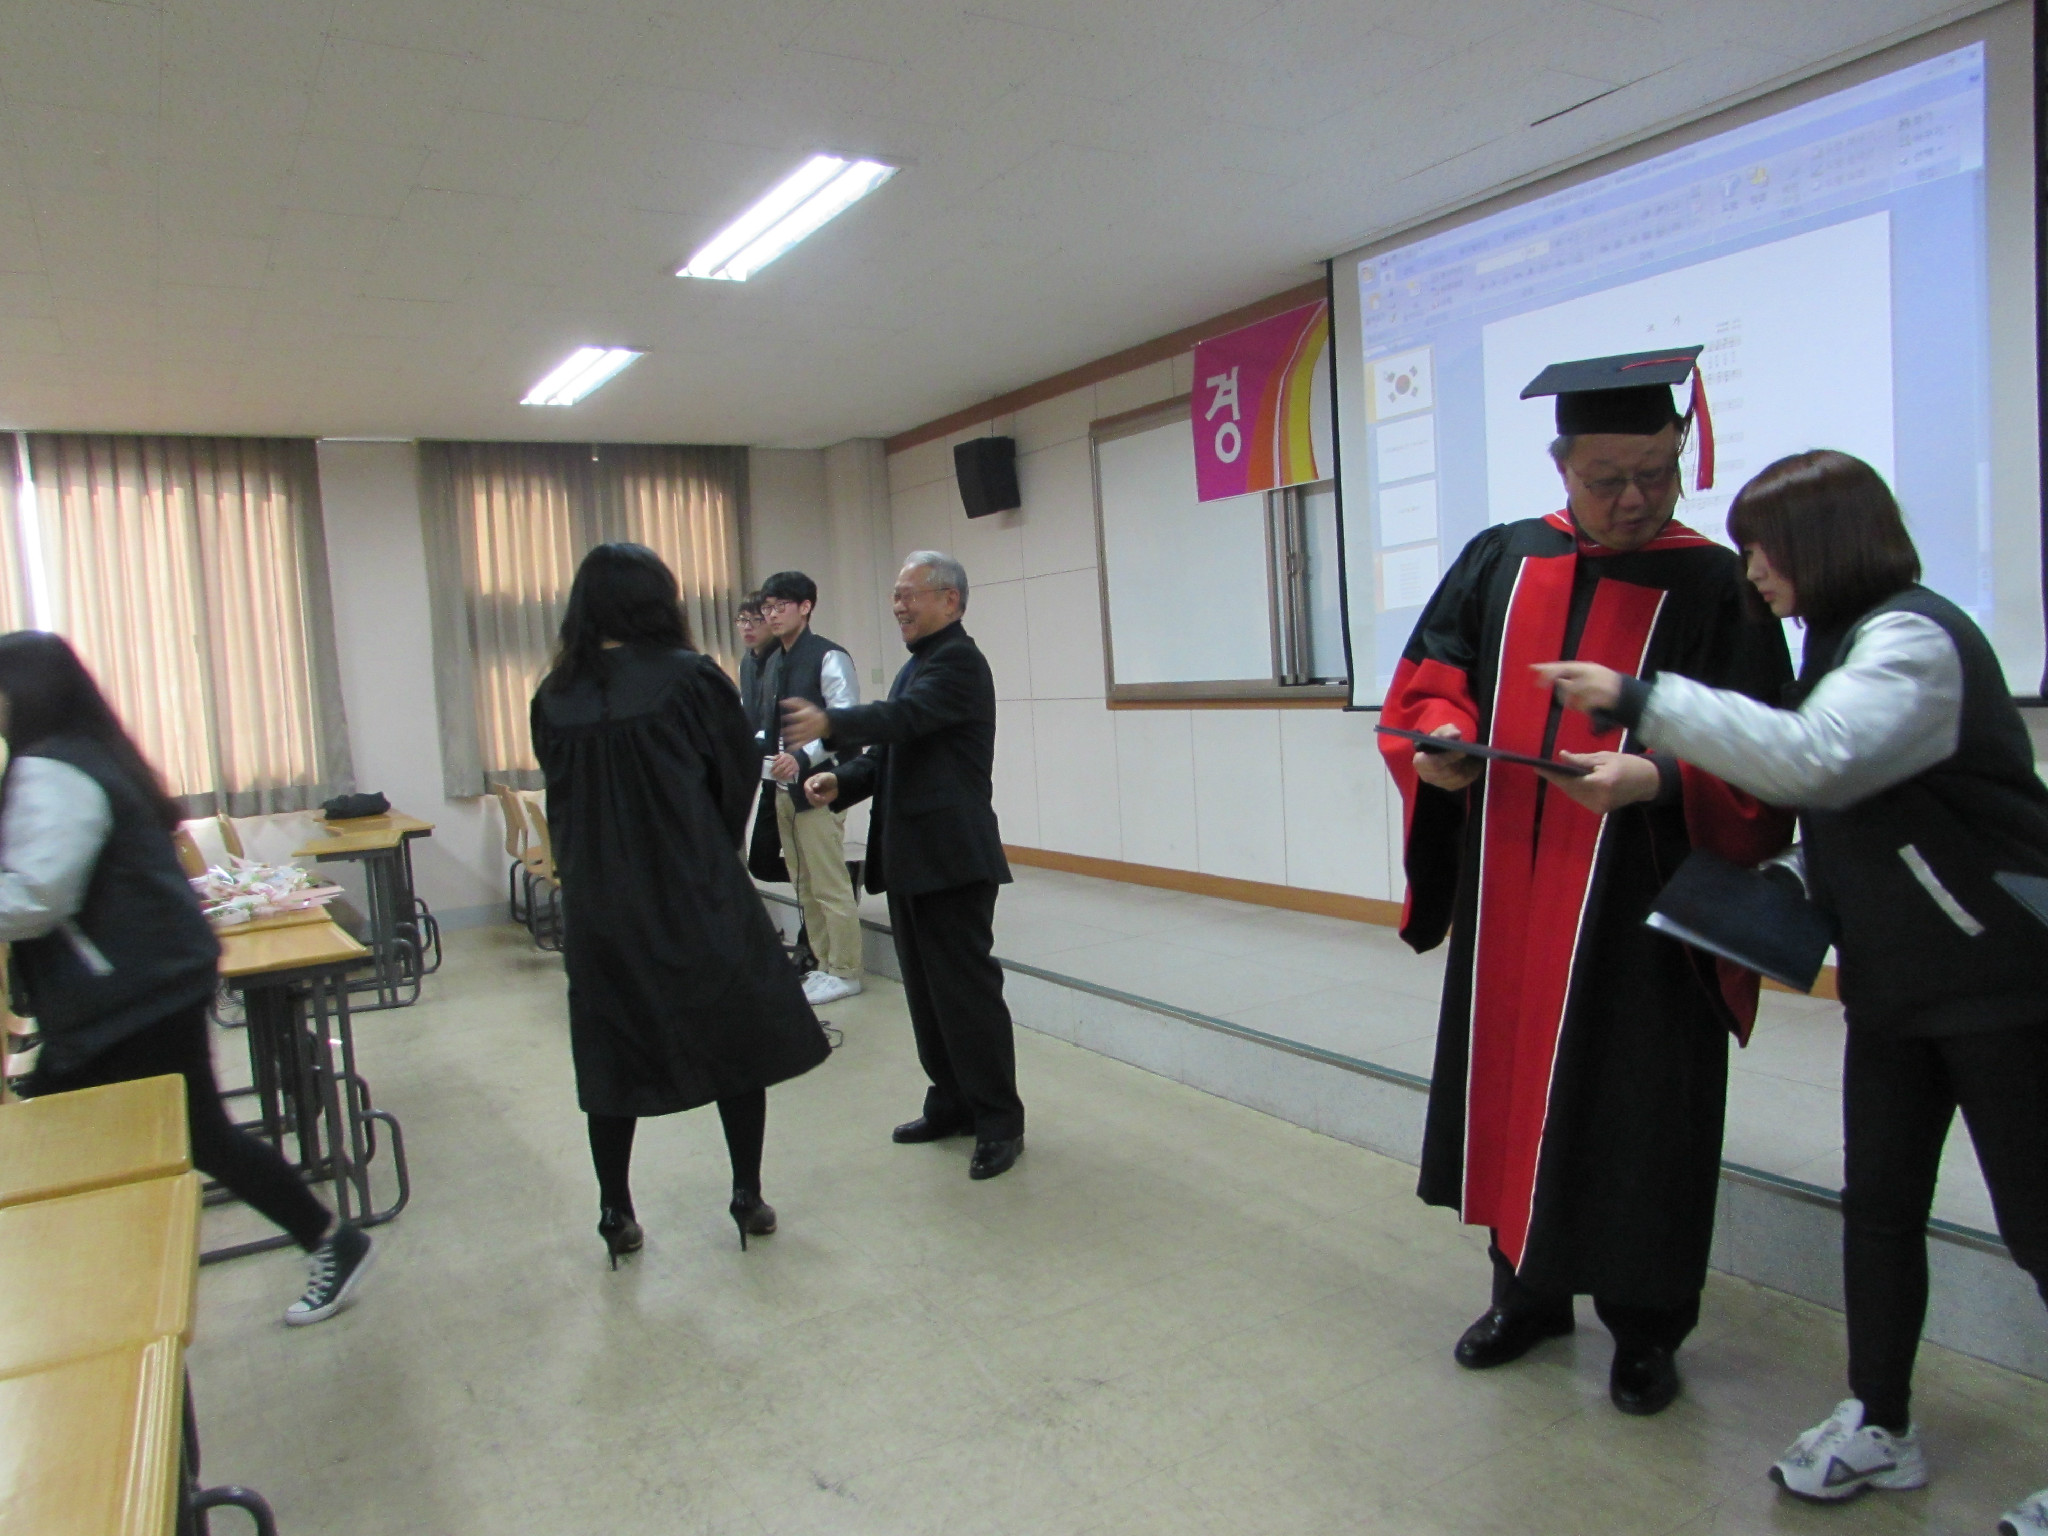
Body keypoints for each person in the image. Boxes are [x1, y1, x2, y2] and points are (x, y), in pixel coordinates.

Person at [1538, 449, 2048, 1532]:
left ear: (1817, 543)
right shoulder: (1841, 643)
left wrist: (1639, 698)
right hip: (1898, 986)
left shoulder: (1913, 639)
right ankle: (1881, 1421)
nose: (1751, 571)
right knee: (1879, 1211)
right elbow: (1849, 808)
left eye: (1760, 548)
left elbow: (1811, 759)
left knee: (2038, 1221)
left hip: (1999, 982)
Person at [1378, 346, 1793, 1415]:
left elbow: (1771, 752)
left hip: (1646, 911)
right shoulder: (1502, 557)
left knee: (1642, 1113)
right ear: (1560, 466)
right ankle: (1524, 1294)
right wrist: (1440, 743)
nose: (1633, 498)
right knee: (1515, 1087)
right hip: (1517, 898)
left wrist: (1658, 777)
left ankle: (1648, 1327)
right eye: (1606, 478)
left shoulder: (1718, 585)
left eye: (1655, 472)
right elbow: (1432, 680)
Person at [3, 631, 372, 1325]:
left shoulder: (51, 769)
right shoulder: (88, 755)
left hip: (127, 995)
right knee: (196, 1135)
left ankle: (114, 1312)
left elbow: (37, 896)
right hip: (147, 982)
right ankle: (326, 1240)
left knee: (85, 1140)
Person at [530, 544, 831, 1265]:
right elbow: (733, 780)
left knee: (609, 1048)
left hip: (601, 905)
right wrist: (709, 853)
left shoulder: (554, 694)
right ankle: (747, 1195)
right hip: (693, 890)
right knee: (736, 1037)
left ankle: (615, 1210)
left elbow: (562, 802)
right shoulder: (693, 678)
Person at [781, 552, 1024, 1180]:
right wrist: (843, 780)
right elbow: (893, 751)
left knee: (966, 997)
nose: (898, 606)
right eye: (895, 595)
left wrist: (831, 722)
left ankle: (999, 1119)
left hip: (953, 860)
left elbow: (903, 720)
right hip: (914, 859)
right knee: (928, 998)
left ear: (951, 600)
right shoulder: (919, 665)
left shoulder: (959, 663)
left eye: (910, 594)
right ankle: (951, 1103)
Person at [757, 571, 865, 1007]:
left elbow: (846, 722)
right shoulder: (773, 661)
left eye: (780, 605)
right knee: (803, 883)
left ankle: (847, 970)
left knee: (829, 882)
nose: (771, 614)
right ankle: (823, 963)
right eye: (766, 607)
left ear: (805, 607)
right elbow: (770, 729)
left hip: (822, 784)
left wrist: (802, 758)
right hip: (784, 786)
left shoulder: (828, 656)